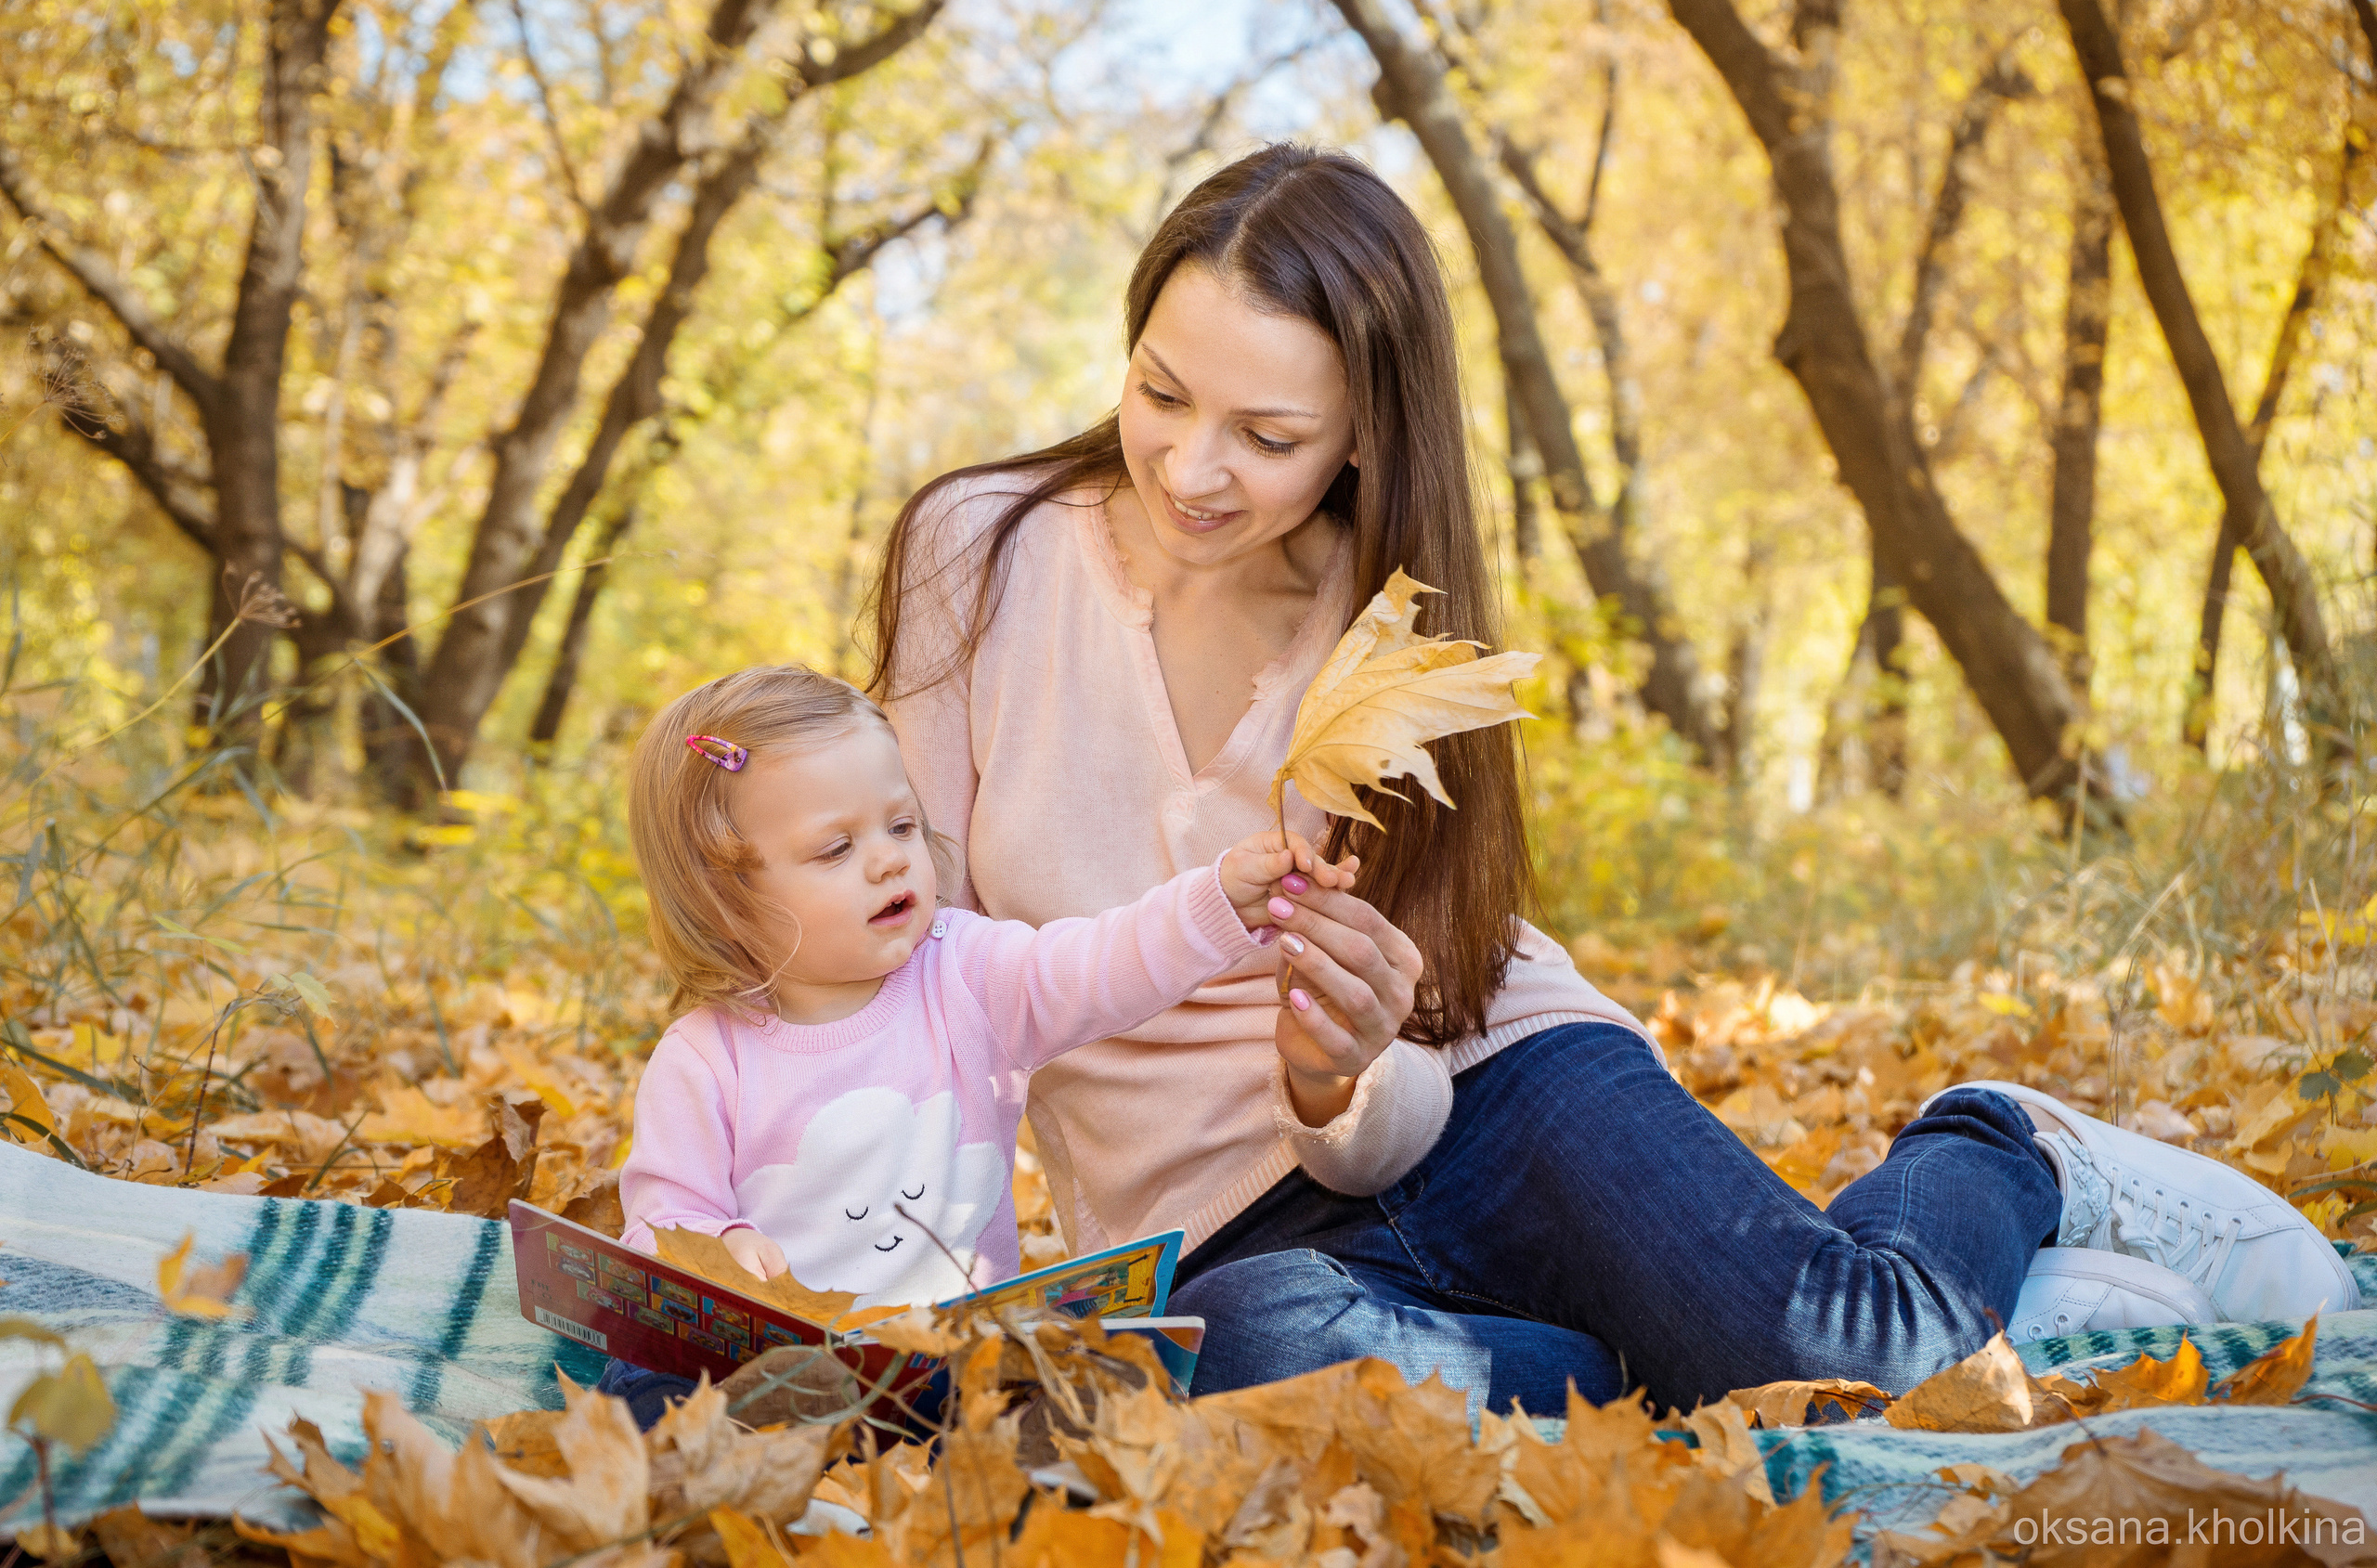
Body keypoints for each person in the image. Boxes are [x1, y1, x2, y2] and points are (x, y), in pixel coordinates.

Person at [869, 143, 2358, 1419]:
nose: (1192, 468)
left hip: (1490, 1092)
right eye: (1160, 393)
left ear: (1360, 440)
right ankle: (1674, 1346)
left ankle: (2004, 1146)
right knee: (1245, 1361)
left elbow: (1401, 1088)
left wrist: (1333, 1066)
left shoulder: (1395, 635)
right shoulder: (980, 549)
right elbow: (902, 950)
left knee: (1858, 1362)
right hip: (1225, 1242)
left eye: (1266, 437)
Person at [591, 663, 1344, 1424]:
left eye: (902, 824)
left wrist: (1213, 900)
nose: (888, 858)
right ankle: (760, 1502)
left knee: (1064, 1379)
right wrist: (717, 1246)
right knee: (646, 1387)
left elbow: (1094, 965)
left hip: (948, 1371)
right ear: (725, 903)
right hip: (777, 1377)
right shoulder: (705, 1057)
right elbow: (665, 1214)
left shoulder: (965, 972)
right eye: (834, 849)